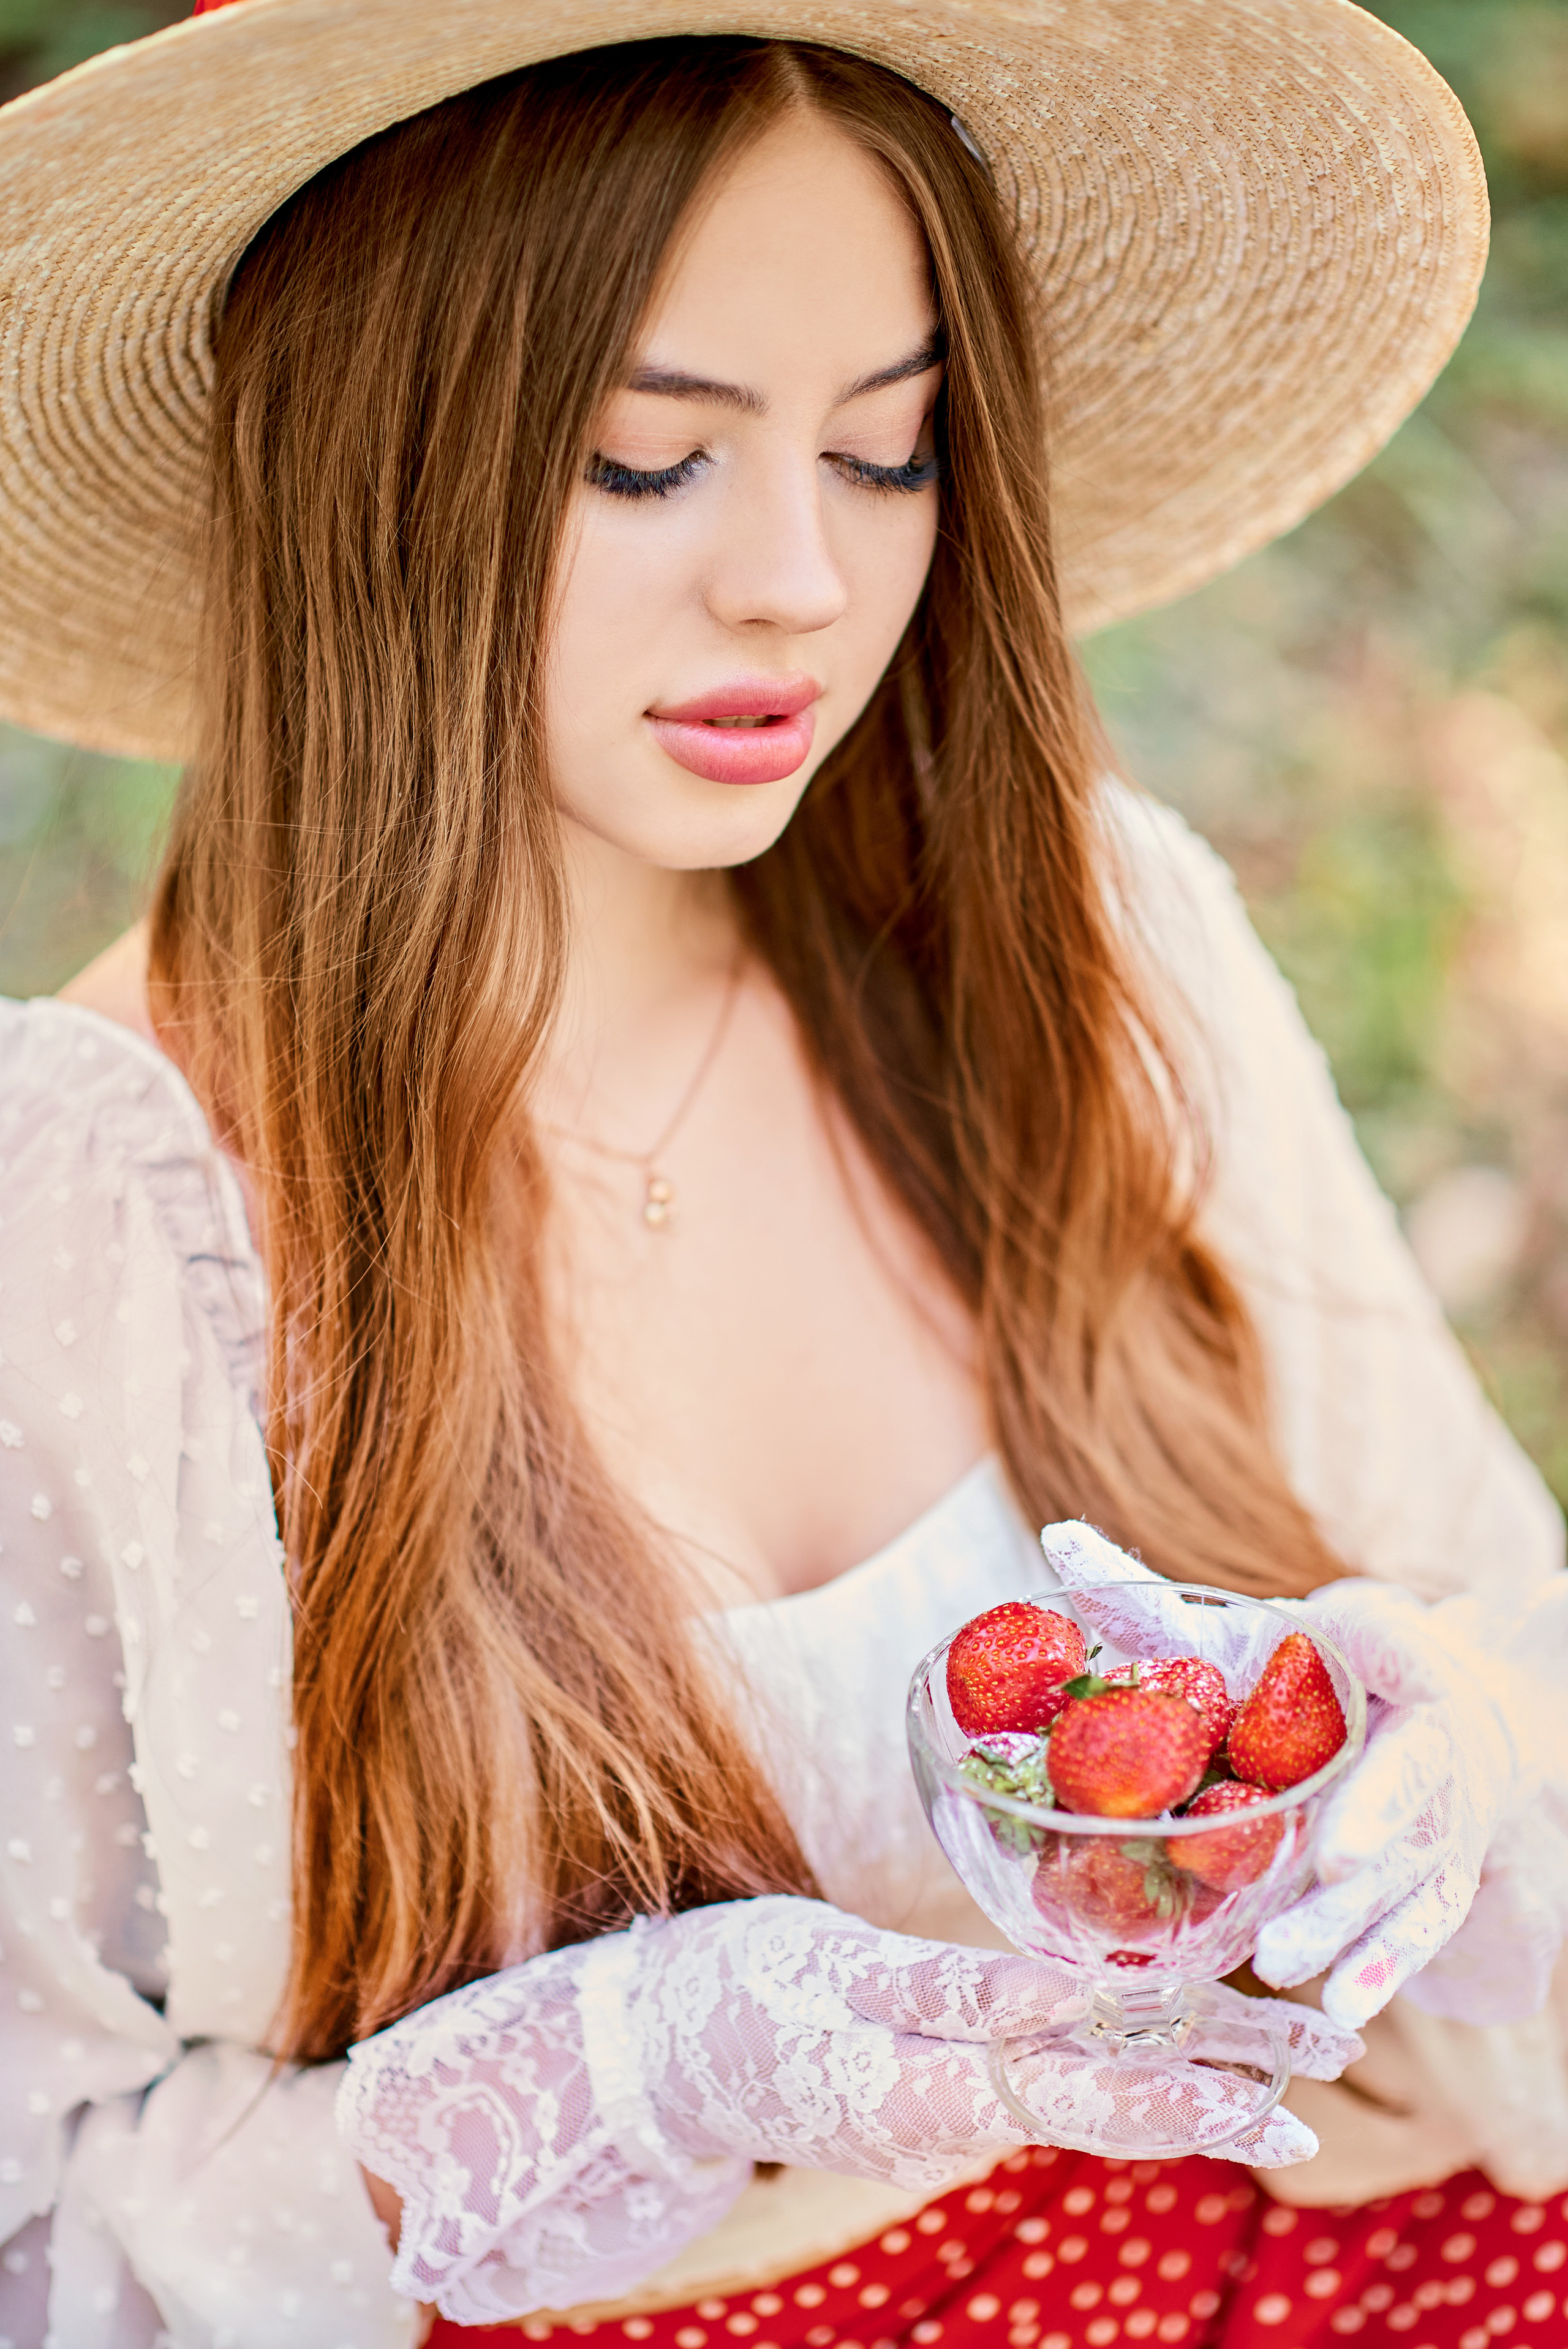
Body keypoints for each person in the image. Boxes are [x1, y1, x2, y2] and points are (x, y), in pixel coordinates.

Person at [0, 5, 1565, 2345]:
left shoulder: (1088, 941)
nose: (804, 586)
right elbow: (51, 2205)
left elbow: (1503, 1650)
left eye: (892, 449)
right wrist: (652, 2058)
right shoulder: (110, 1207)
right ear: (358, 459)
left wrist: (1429, 1730)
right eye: (651, 462)